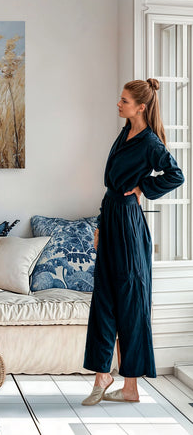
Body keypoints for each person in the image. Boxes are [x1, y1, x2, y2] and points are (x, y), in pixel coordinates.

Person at [82, 78, 184, 406]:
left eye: (124, 100)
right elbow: (111, 186)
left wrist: (142, 188)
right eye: (120, 99)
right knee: (103, 298)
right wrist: (100, 225)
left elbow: (175, 175)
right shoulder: (124, 133)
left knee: (130, 302)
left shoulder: (150, 143)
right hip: (111, 217)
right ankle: (103, 375)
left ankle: (130, 387)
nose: (119, 103)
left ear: (141, 106)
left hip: (128, 224)